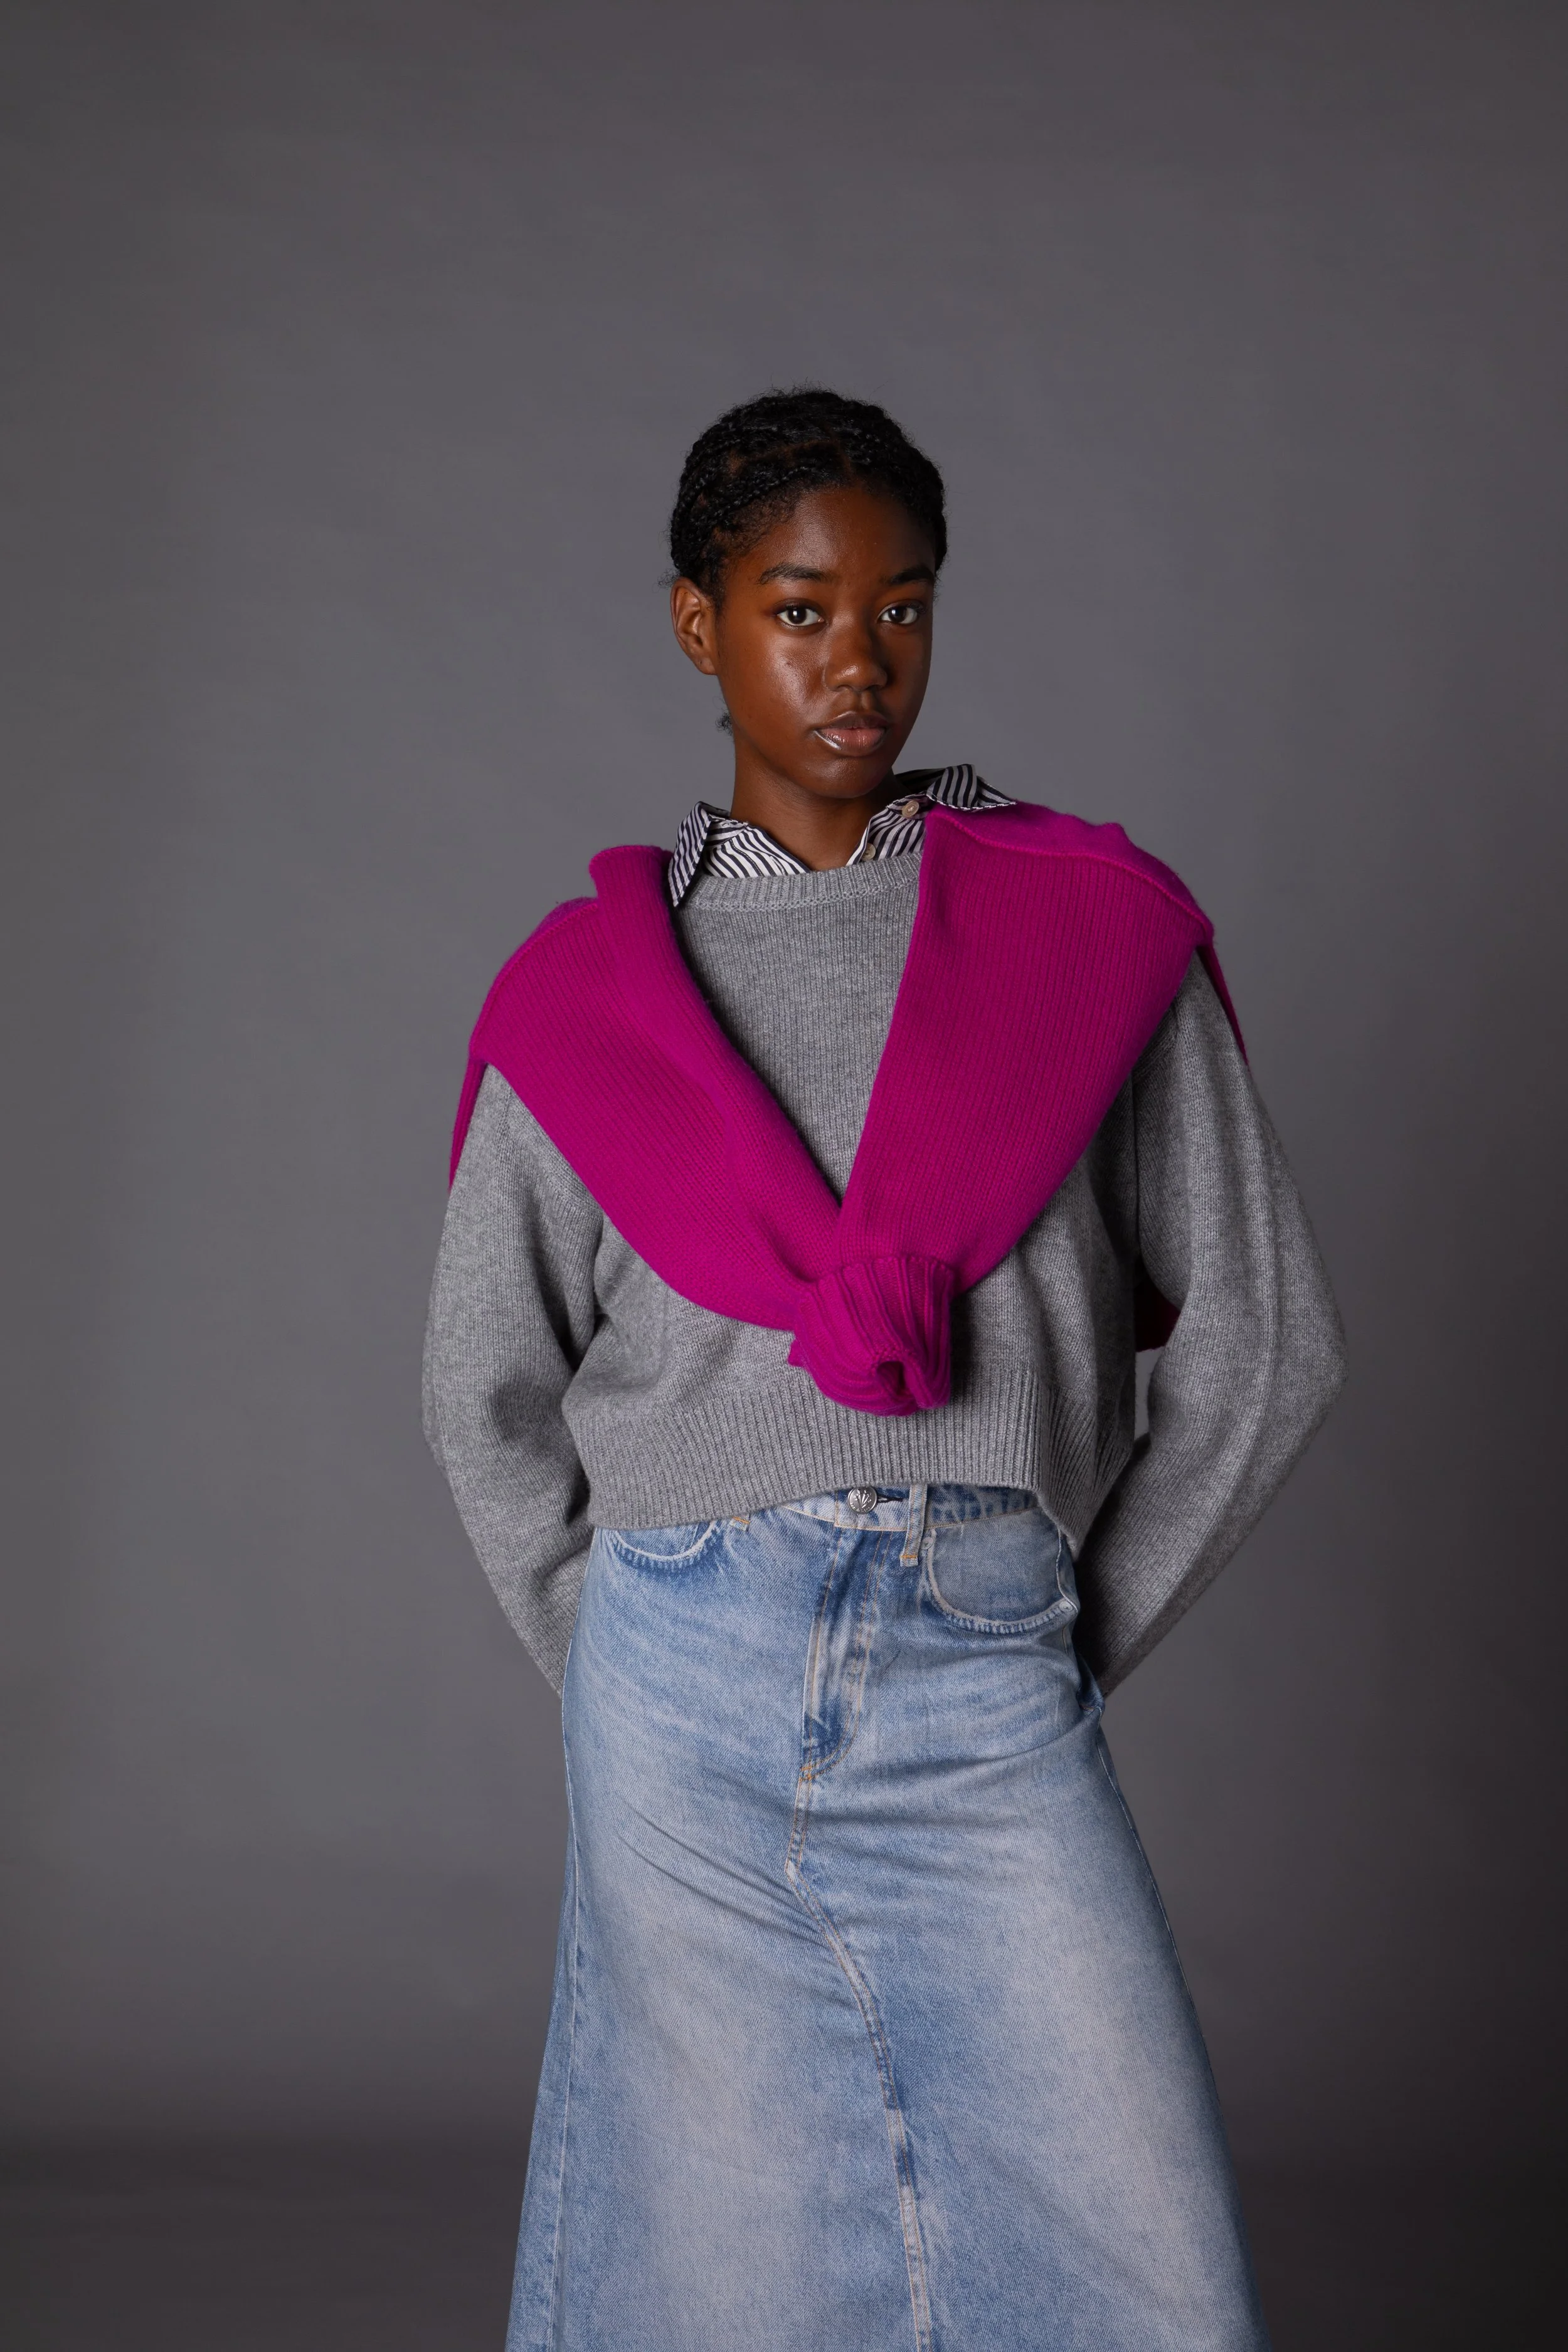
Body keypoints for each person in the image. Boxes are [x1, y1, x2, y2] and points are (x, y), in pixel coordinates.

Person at [423, 387, 1345, 2351]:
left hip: (981, 1650)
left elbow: (1268, 1342)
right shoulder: (577, 1002)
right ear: (699, 623)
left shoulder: (1088, 940)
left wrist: (1060, 1618)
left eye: (901, 610)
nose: (859, 663)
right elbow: (481, 1388)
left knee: (1133, 2256)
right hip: (683, 1671)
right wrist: (613, 1652)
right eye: (800, 607)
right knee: (723, 2261)